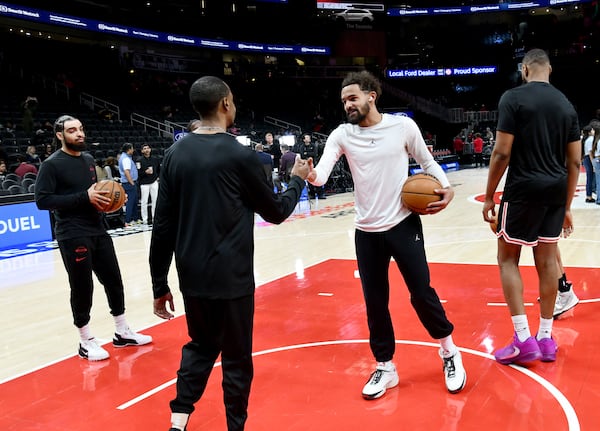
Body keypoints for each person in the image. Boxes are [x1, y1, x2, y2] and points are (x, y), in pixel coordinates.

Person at [149, 76, 311, 431]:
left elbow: (162, 227)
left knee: (200, 346)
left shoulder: (174, 154)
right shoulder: (243, 156)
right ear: (225, 104)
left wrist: (159, 283)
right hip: (231, 277)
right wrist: (298, 179)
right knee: (236, 359)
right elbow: (276, 212)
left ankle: (178, 421)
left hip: (192, 275)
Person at [307, 70, 466, 398]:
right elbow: (322, 175)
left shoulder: (402, 127)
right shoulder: (341, 135)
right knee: (375, 303)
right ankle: (385, 366)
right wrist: (310, 174)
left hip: (403, 224)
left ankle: (449, 352)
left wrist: (447, 188)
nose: (348, 105)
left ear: (371, 96)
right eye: (343, 101)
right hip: (366, 232)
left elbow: (426, 162)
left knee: (422, 293)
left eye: (353, 98)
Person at [482, 48, 581, 365]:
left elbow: (501, 153)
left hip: (523, 188)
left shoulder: (513, 98)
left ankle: (523, 339)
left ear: (524, 69)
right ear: (549, 70)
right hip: (555, 191)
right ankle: (546, 338)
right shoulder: (567, 105)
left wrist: (488, 196)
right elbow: (575, 162)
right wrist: (566, 206)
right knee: (548, 262)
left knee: (507, 258)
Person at [34, 114, 152, 362]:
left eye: (81, 128)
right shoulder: (51, 165)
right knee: (82, 286)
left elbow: (95, 195)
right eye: (72, 130)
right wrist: (83, 198)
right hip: (72, 233)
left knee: (114, 279)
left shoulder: (88, 159)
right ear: (60, 135)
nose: (79, 134)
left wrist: (114, 199)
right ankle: (85, 340)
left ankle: (121, 331)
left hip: (98, 228)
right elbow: (43, 201)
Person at [138, 143, 160, 225]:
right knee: (144, 201)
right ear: (142, 151)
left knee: (155, 200)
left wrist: (157, 177)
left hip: (154, 182)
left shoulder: (155, 159)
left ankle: (155, 217)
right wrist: (145, 172)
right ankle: (145, 219)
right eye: (144, 148)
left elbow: (158, 169)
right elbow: (138, 173)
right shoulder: (139, 160)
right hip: (144, 183)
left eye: (148, 148)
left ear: (150, 149)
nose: (146, 150)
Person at [118, 142, 139, 225]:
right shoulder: (126, 159)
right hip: (129, 183)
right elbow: (127, 172)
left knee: (134, 201)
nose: (133, 150)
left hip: (129, 183)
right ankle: (128, 220)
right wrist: (132, 183)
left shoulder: (125, 157)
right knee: (130, 202)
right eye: (132, 148)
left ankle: (134, 219)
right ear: (129, 149)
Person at [581, 124, 595, 203]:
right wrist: (593, 163)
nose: (593, 131)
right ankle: (589, 196)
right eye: (592, 130)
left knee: (589, 177)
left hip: (586, 159)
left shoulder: (584, 139)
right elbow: (590, 153)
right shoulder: (590, 140)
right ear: (589, 132)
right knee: (590, 178)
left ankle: (589, 195)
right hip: (589, 159)